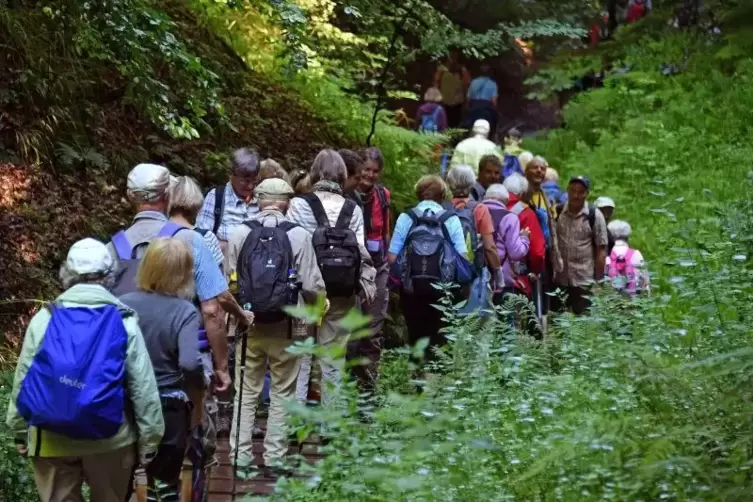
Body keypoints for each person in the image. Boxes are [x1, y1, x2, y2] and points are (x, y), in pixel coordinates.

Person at [6, 238, 164, 502]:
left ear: (67, 274)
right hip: (112, 439)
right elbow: (143, 387)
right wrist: (150, 440)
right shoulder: (124, 321)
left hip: (51, 438)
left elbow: (24, 378)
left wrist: (20, 430)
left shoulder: (45, 318)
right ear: (110, 276)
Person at [108, 163, 235, 394]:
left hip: (125, 369)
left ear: (129, 197)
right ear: (168, 195)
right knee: (191, 425)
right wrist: (222, 366)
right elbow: (211, 310)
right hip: (181, 365)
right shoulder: (192, 241)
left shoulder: (111, 249)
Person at [226, 178, 326, 468]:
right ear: (288, 203)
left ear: (258, 200)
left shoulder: (239, 234)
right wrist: (315, 317)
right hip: (287, 324)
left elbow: (228, 284)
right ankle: (274, 458)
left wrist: (236, 319)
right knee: (283, 390)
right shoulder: (299, 235)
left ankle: (239, 456)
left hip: (249, 322)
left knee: (246, 389)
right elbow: (313, 286)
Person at [288, 150, 376, 405]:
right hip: (341, 294)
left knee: (301, 359)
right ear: (342, 176)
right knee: (334, 361)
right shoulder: (354, 210)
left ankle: (295, 424)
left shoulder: (299, 204)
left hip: (305, 296)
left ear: (315, 173)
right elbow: (361, 253)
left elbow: (293, 249)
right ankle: (331, 426)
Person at [120, 238, 204, 502]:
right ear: (183, 273)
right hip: (167, 407)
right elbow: (190, 363)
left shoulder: (120, 304)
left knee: (122, 481)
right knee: (165, 483)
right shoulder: (184, 311)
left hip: (124, 403)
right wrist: (201, 387)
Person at [388, 175, 467, 358]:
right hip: (443, 291)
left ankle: (418, 380)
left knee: (416, 337)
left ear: (418, 195)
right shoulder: (450, 219)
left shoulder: (406, 218)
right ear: (442, 195)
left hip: (412, 291)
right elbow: (461, 257)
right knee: (439, 337)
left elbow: (392, 258)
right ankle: (437, 377)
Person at [347, 147, 391, 393]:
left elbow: (385, 231)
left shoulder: (383, 196)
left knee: (373, 329)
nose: (370, 175)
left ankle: (368, 388)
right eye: (366, 169)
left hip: (377, 267)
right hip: (351, 271)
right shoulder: (347, 194)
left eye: (375, 171)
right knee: (351, 330)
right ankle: (345, 386)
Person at [553, 176, 608, 315]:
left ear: (587, 193)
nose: (576, 195)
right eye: (573, 191)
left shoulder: (594, 215)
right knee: (559, 322)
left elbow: (601, 250)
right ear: (567, 191)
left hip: (584, 280)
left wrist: (598, 281)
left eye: (581, 192)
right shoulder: (557, 212)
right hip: (560, 279)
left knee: (583, 322)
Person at [196, 148, 260, 255]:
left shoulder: (261, 199)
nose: (250, 186)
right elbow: (201, 238)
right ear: (230, 175)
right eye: (245, 181)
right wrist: (228, 248)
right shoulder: (216, 197)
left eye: (254, 180)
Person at [481, 184, 531, 308]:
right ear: (506, 201)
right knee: (503, 321)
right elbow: (515, 252)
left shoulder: (475, 213)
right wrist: (524, 238)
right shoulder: (510, 218)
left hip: (478, 276)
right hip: (502, 281)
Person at [503, 174, 546, 299]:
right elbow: (537, 252)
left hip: (491, 281)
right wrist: (535, 271)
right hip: (518, 281)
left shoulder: (489, 209)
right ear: (522, 193)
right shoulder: (526, 213)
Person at [605, 220, 649, 295]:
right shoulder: (636, 254)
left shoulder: (605, 256)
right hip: (633, 301)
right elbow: (645, 283)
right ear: (627, 237)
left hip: (610, 301)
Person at [433, 50, 471, 129]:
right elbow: (436, 82)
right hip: (444, 100)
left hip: (458, 101)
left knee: (455, 122)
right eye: (451, 56)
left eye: (454, 56)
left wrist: (467, 99)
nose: (452, 58)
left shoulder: (462, 69)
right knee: (444, 121)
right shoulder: (442, 69)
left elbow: (467, 84)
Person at [464, 63, 499, 136]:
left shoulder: (474, 82)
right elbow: (494, 100)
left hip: (474, 106)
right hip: (487, 108)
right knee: (492, 124)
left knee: (470, 124)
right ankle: (491, 136)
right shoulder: (492, 84)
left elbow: (468, 97)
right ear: (489, 73)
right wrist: (495, 109)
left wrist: (467, 106)